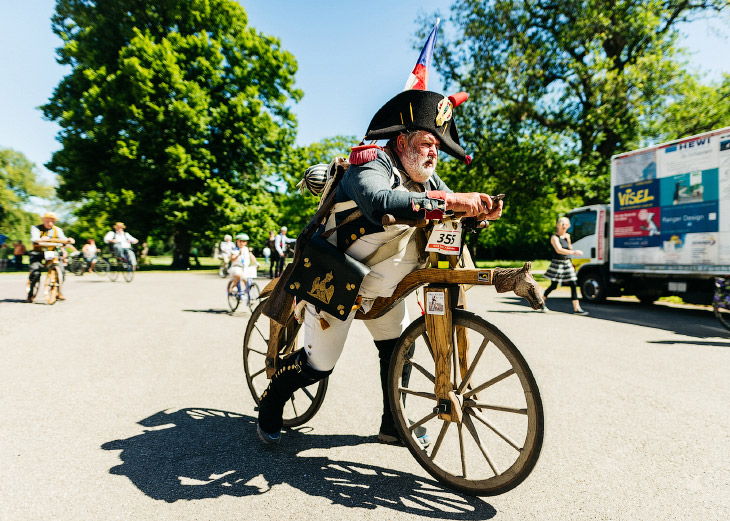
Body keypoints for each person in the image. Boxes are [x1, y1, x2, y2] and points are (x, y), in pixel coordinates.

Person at [257, 89, 503, 444]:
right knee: (318, 366)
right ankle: (273, 398)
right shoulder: (370, 163)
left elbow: (449, 206)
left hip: (386, 288)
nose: (434, 151)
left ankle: (393, 425)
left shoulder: (428, 179)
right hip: (338, 281)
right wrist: (451, 200)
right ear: (401, 141)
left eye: (437, 145)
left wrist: (477, 211)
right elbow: (378, 202)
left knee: (399, 351)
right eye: (426, 142)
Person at [541, 216, 587, 315]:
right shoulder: (554, 237)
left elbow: (569, 248)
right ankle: (541, 302)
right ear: (558, 225)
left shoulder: (567, 236)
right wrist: (574, 252)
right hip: (557, 263)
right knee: (554, 285)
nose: (564, 226)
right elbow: (559, 250)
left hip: (567, 262)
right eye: (563, 224)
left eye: (566, 225)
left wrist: (568, 240)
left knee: (573, 284)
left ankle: (577, 308)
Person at [27, 212, 75, 302]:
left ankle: (57, 291)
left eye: (52, 221)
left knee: (62, 271)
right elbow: (34, 238)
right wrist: (40, 239)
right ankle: (30, 294)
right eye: (48, 221)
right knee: (35, 272)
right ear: (44, 220)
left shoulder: (57, 230)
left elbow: (63, 239)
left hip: (52, 252)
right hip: (38, 252)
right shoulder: (36, 228)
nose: (50, 223)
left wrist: (68, 240)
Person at [227, 233, 259, 300]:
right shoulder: (235, 249)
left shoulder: (247, 249)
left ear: (246, 242)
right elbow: (232, 259)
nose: (242, 243)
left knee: (247, 281)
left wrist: (256, 263)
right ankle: (234, 286)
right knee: (238, 274)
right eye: (240, 241)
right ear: (237, 241)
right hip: (236, 267)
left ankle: (248, 295)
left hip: (245, 268)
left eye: (244, 241)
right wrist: (238, 254)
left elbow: (252, 257)